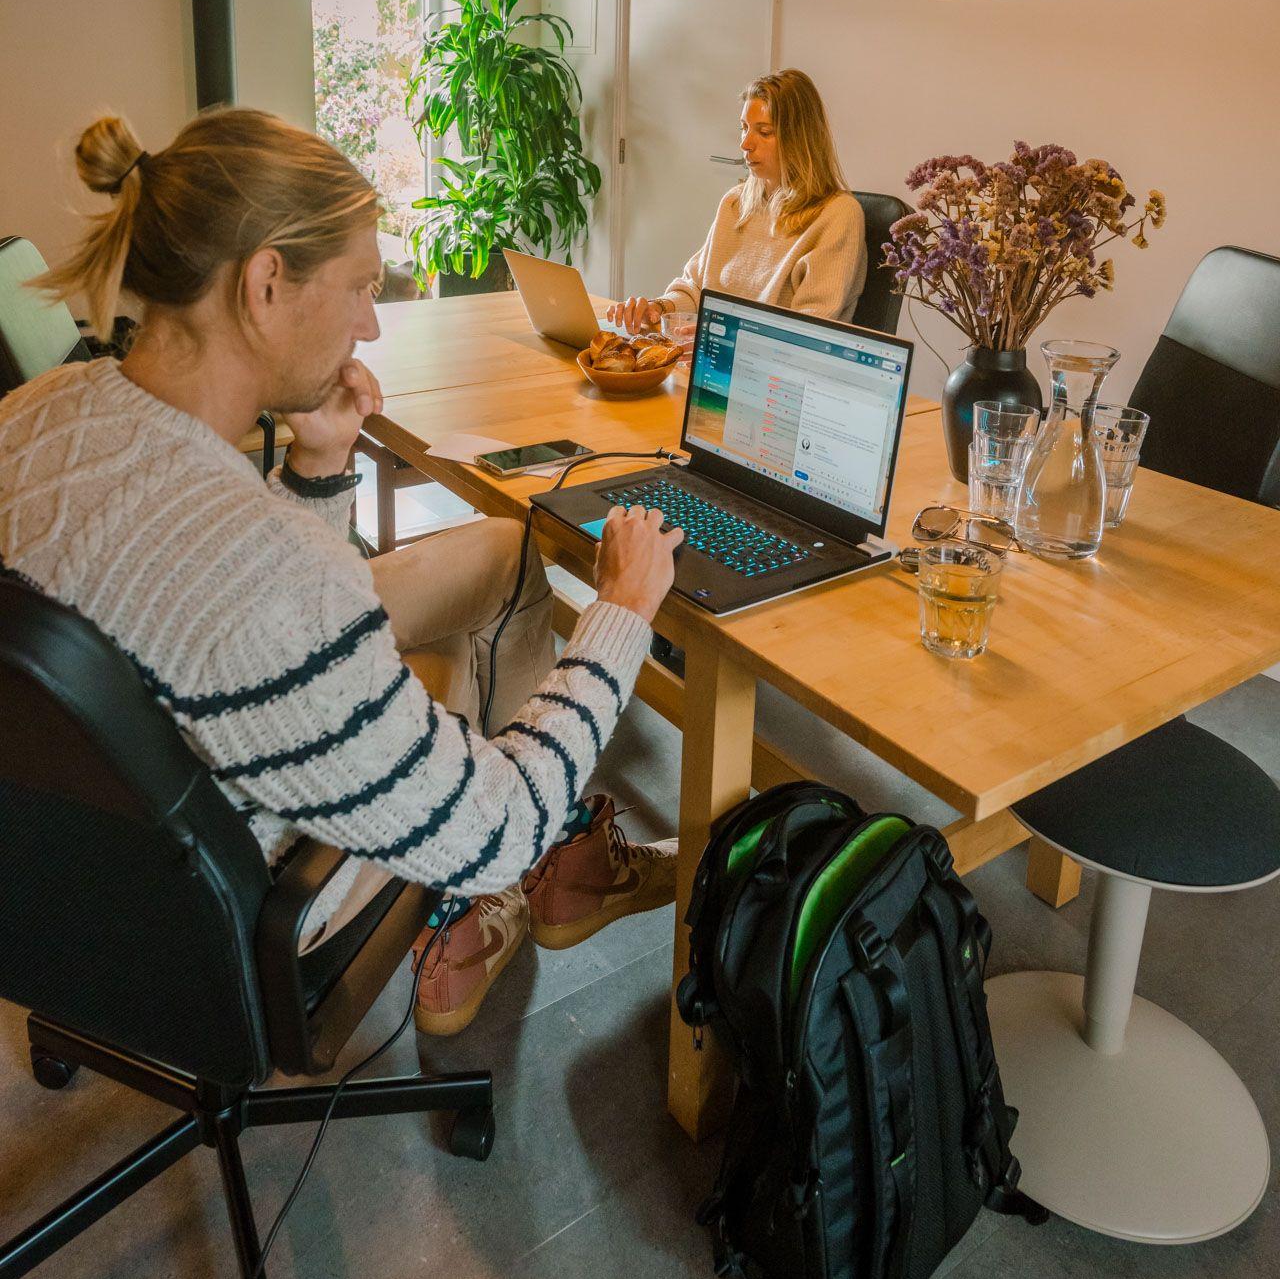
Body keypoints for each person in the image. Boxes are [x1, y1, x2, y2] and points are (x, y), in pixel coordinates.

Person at [0, 108, 683, 1039]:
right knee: (468, 730)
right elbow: (499, 819)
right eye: (361, 287)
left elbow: (241, 599)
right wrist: (622, 608)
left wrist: (320, 469)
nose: (369, 321)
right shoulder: (273, 581)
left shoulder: (45, 408)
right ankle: (488, 904)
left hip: (51, 850)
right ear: (265, 283)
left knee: (504, 550)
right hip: (245, 905)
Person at [609, 69, 867, 334]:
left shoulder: (838, 215)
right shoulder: (735, 203)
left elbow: (805, 331)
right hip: (710, 358)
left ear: (800, 139)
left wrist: (714, 333)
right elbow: (695, 289)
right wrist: (660, 310)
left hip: (772, 372)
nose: (745, 144)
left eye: (764, 132)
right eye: (744, 128)